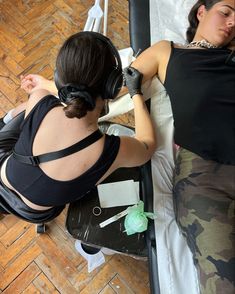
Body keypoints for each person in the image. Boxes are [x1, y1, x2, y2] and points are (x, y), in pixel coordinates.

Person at [129, 0, 234, 293]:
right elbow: (125, 81)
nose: (231, 22)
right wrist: (56, 89)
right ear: (201, 11)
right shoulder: (169, 51)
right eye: (225, 12)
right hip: (205, 180)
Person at [0, 31, 156, 223]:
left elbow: (60, 107)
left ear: (59, 79)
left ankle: (4, 121)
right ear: (113, 86)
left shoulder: (39, 98)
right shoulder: (113, 150)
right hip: (36, 213)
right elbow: (147, 146)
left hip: (4, 175)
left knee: (22, 111)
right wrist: (135, 91)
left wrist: (45, 86)